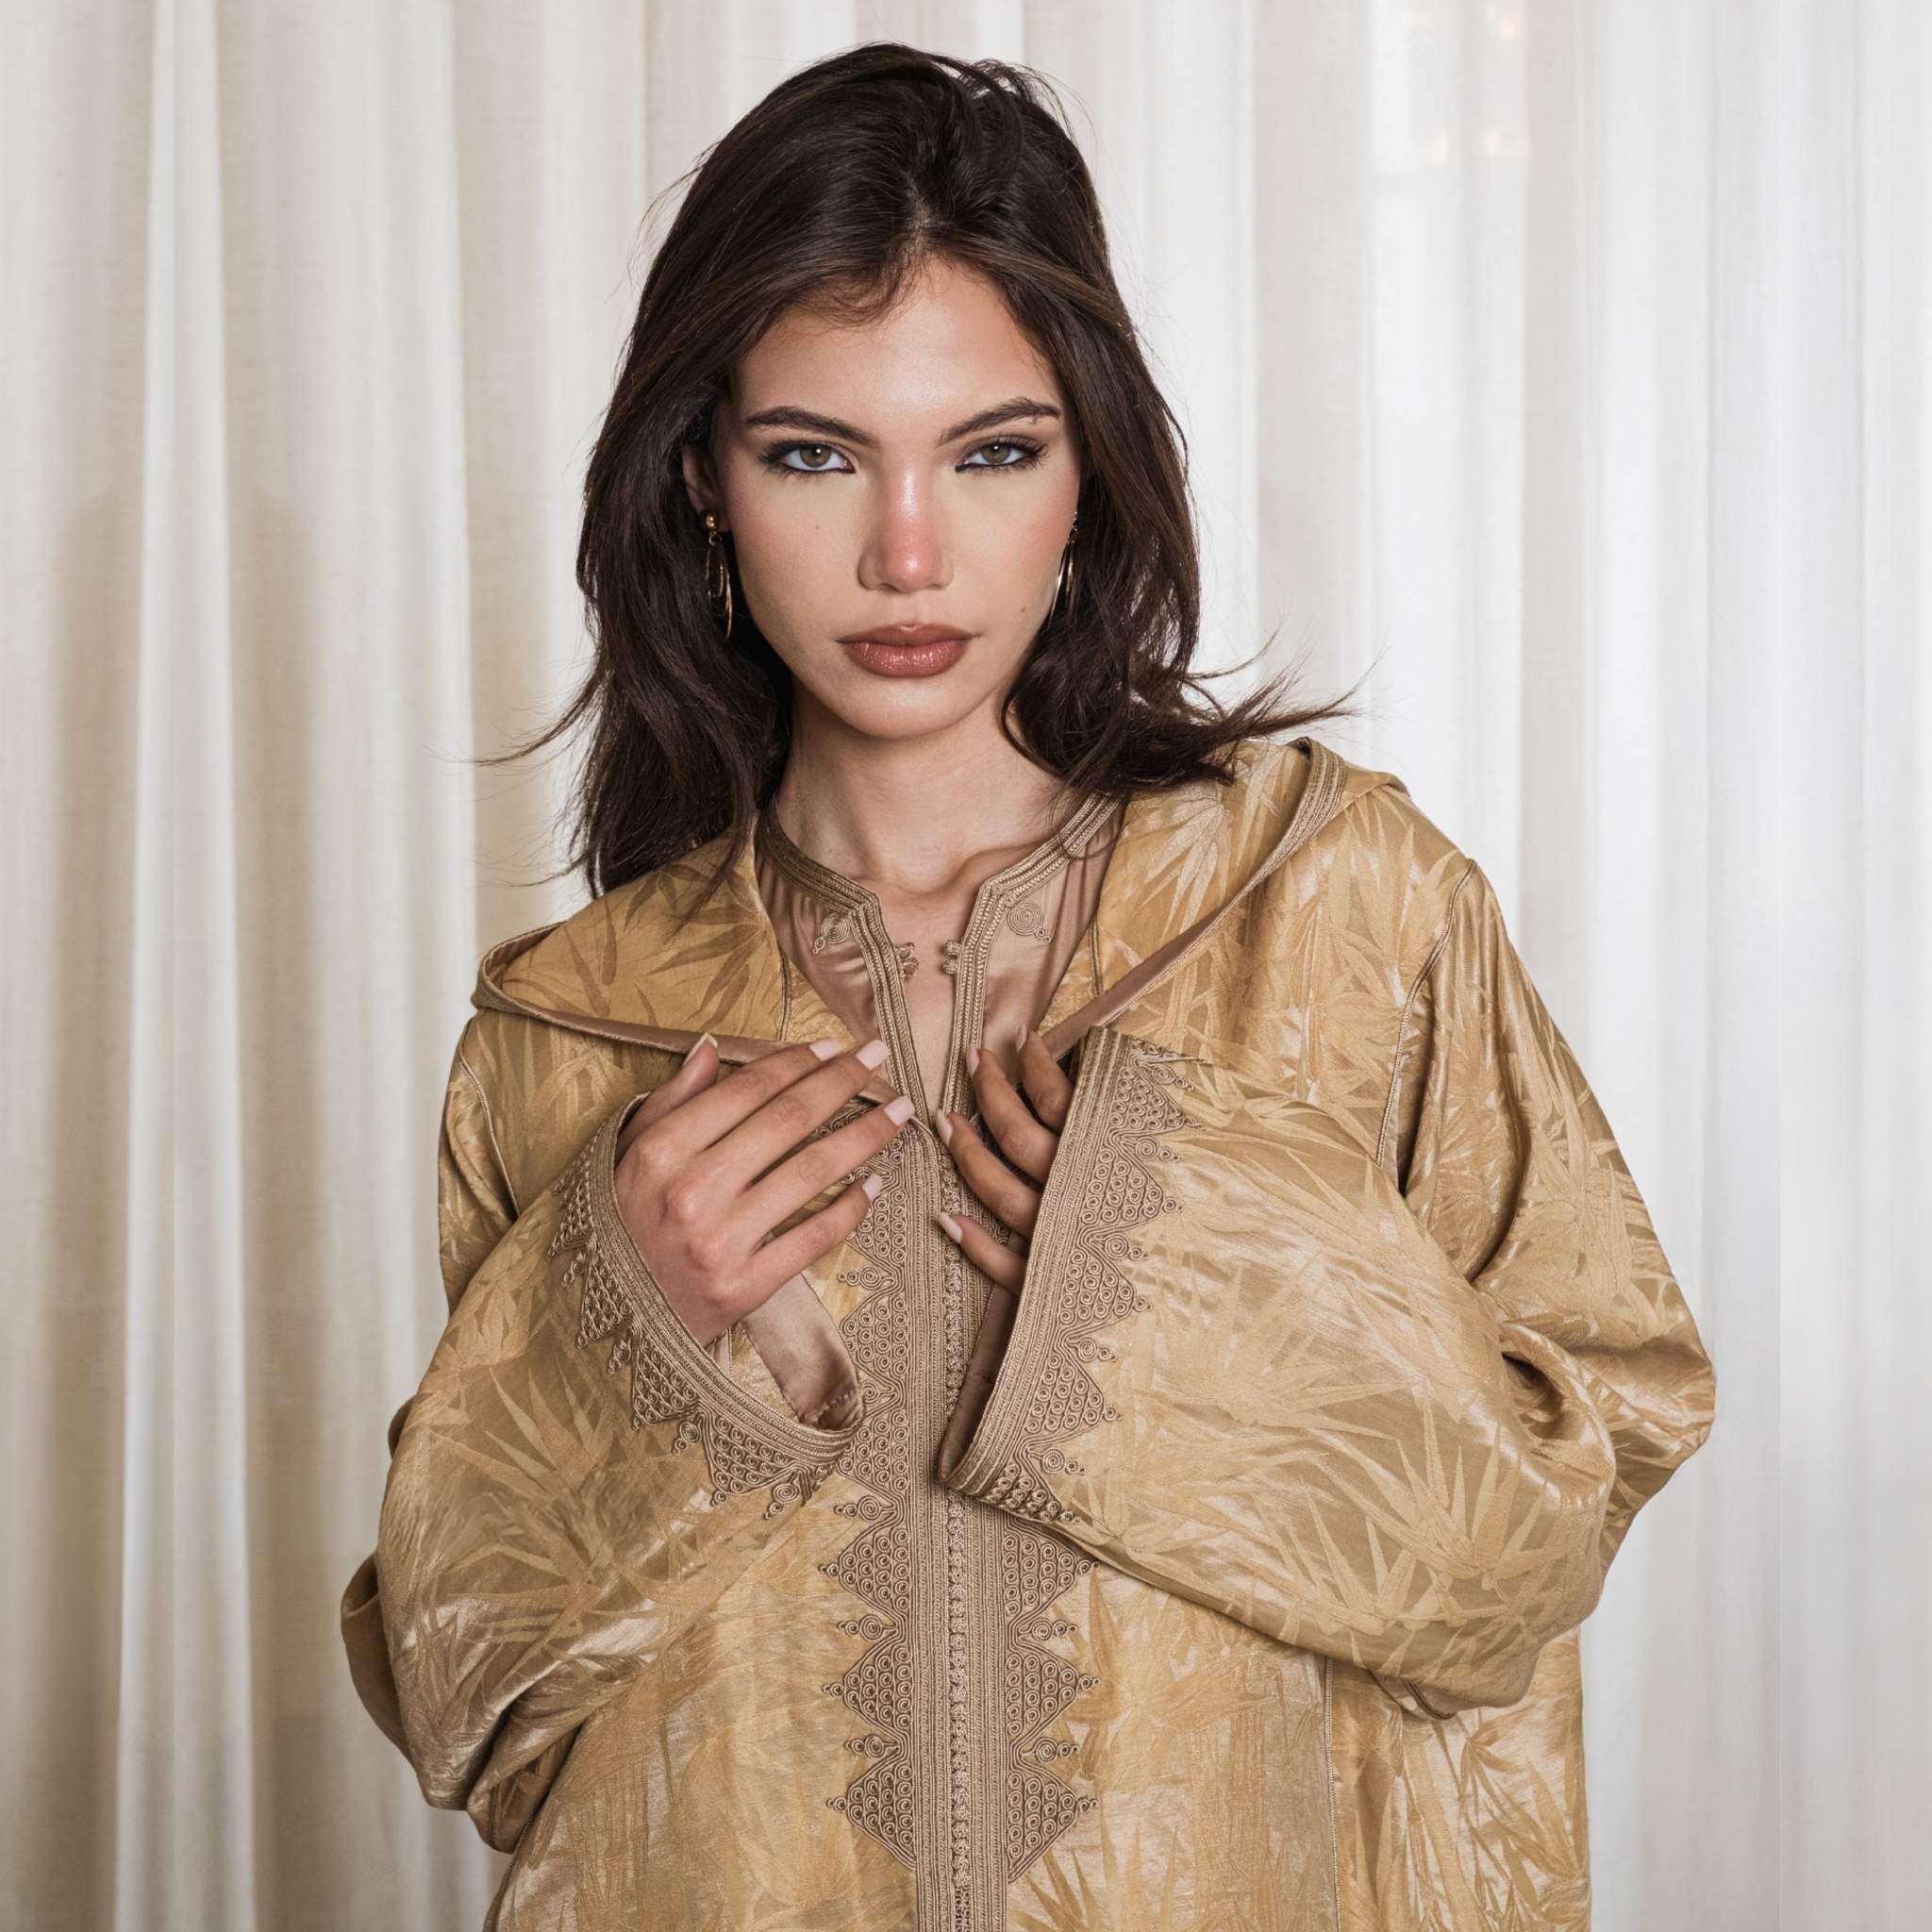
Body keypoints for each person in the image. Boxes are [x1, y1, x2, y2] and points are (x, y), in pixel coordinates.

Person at [340, 42, 1716, 1932]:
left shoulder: (1335, 912)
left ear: (1088, 475)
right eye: (813, 453)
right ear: (701, 482)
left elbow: (1559, 1518)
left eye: (992, 451)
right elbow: (470, 1720)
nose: (907, 552)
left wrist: (1183, 1267)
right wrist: (619, 1335)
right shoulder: (573, 1031)